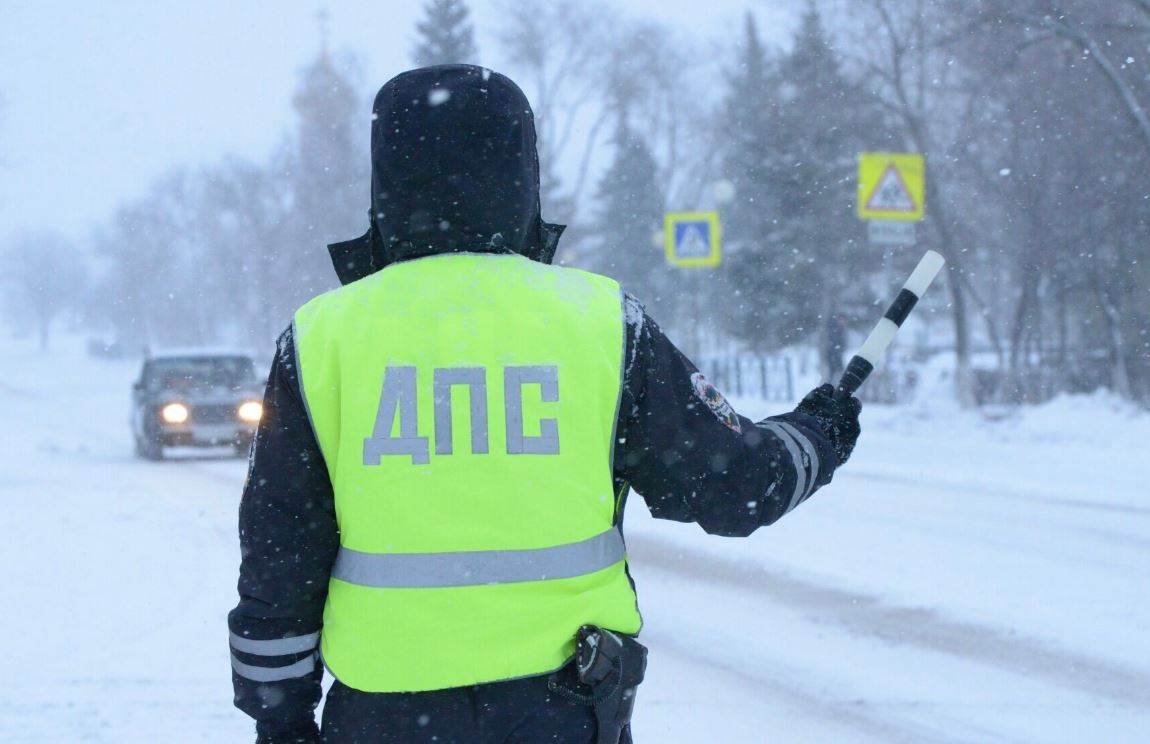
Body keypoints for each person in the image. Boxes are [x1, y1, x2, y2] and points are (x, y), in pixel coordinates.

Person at [228, 65, 863, 744]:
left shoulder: (323, 336)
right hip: (562, 709)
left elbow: (280, 551)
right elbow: (735, 487)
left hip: (383, 714)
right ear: (521, 173)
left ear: (385, 179)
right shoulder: (602, 321)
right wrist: (815, 433)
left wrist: (281, 716)